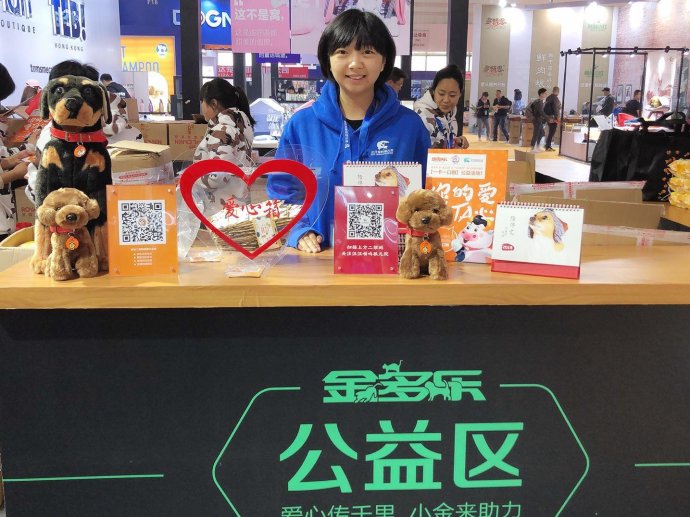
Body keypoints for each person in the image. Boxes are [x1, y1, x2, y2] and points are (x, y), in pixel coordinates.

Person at [267, 9, 429, 254]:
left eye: (367, 52)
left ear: (383, 61)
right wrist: (298, 230)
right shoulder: (301, 125)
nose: (355, 63)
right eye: (342, 52)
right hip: (319, 258)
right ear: (328, 60)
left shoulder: (410, 126)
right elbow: (283, 193)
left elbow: (426, 194)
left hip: (392, 259)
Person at [193, 78, 255, 165]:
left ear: (213, 104)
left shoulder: (221, 131)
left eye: (202, 101)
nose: (201, 106)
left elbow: (219, 172)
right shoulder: (237, 125)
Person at [414, 64, 470, 150]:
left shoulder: (450, 114)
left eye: (452, 95)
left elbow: (441, 141)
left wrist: (455, 142)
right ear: (433, 91)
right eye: (441, 94)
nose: (446, 100)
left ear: (460, 94)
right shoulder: (421, 116)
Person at [529, 88, 548, 152]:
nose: (546, 94)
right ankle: (532, 147)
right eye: (545, 93)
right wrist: (548, 118)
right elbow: (541, 112)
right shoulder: (539, 102)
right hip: (537, 120)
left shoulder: (537, 101)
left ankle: (537, 146)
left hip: (537, 119)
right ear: (541, 94)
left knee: (541, 133)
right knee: (536, 134)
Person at [543, 86, 562, 152]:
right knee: (552, 132)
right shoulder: (555, 98)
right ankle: (548, 146)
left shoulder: (548, 97)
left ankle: (547, 145)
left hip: (548, 117)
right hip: (553, 118)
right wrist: (558, 118)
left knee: (550, 132)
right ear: (557, 92)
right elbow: (556, 109)